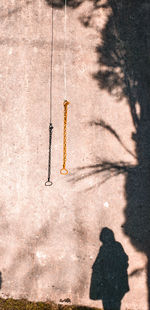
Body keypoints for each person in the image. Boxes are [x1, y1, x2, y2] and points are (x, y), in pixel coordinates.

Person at [90, 227, 129, 310]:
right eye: (104, 236)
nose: (105, 238)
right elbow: (98, 263)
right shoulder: (104, 248)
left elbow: (124, 260)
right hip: (106, 281)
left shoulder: (116, 246)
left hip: (115, 281)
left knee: (114, 303)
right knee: (108, 303)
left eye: (106, 236)